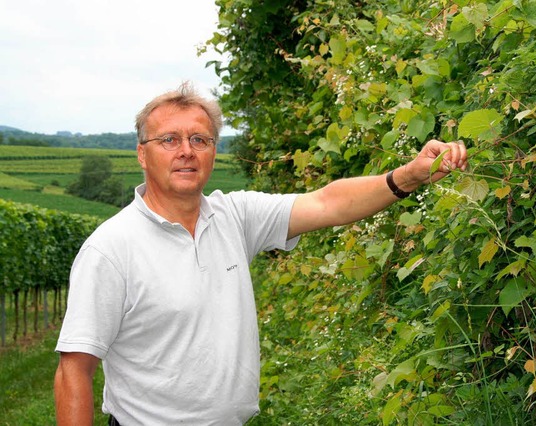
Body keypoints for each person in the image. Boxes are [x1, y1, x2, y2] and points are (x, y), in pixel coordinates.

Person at [53, 82, 467, 425]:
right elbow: (75, 369)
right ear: (143, 153)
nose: (186, 151)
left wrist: (409, 175)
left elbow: (327, 203)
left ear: (214, 150)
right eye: (169, 139)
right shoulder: (111, 248)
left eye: (200, 139)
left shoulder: (234, 216)